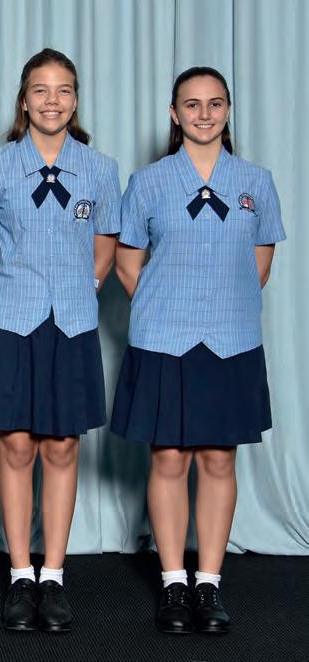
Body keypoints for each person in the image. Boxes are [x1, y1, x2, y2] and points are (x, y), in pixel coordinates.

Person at [112, 66, 284, 635]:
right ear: (174, 113)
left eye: (214, 103)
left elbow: (259, 264)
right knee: (169, 459)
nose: (203, 114)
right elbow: (128, 265)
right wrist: (169, 309)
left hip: (232, 340)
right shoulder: (148, 182)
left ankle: (208, 583)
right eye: (192, 104)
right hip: (164, 340)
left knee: (218, 459)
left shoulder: (256, 181)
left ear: (228, 110)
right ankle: (172, 583)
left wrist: (218, 308)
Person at [0, 49, 120, 633]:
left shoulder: (100, 169)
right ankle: (19, 574)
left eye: (63, 90)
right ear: (24, 101)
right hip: (12, 325)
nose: (52, 101)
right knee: (16, 447)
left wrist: (75, 292)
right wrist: (14, 297)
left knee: (61, 448)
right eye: (41, 90)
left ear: (75, 101)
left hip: (72, 325)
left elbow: (104, 250)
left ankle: (53, 575)